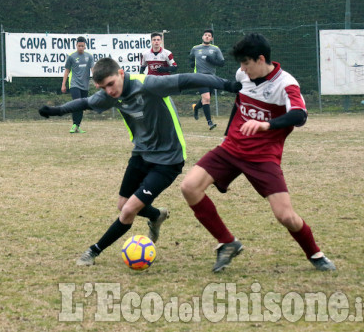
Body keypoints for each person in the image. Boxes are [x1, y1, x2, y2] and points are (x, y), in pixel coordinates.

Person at [39, 57, 241, 266]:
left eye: (111, 84)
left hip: (168, 159)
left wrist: (226, 85)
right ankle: (156, 215)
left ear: (121, 74)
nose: (109, 91)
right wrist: (55, 111)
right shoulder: (110, 94)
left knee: (128, 211)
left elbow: (190, 78)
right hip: (141, 154)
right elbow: (85, 103)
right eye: (103, 87)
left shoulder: (149, 84)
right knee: (123, 205)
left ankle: (93, 252)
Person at [180, 33, 336, 273]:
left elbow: (300, 115)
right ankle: (227, 242)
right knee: (189, 187)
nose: (242, 69)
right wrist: (226, 134)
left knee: (285, 216)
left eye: (246, 63)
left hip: (263, 157)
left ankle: (315, 254)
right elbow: (239, 103)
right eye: (241, 64)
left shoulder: (286, 84)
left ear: (261, 59)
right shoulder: (243, 76)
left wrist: (267, 125)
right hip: (231, 148)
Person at [188, 29, 224, 130]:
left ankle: (196, 107)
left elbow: (222, 63)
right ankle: (210, 122)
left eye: (209, 35)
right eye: (205, 35)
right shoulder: (195, 48)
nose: (207, 36)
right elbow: (190, 58)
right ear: (202, 37)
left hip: (211, 77)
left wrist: (212, 61)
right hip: (199, 76)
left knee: (205, 99)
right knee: (206, 98)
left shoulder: (215, 49)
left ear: (212, 38)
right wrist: (191, 64)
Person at [61, 36, 95, 133]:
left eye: (82, 46)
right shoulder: (71, 56)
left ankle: (78, 126)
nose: (80, 48)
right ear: (76, 45)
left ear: (85, 46)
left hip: (85, 85)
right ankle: (74, 125)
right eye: (79, 46)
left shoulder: (89, 57)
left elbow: (93, 70)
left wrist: (97, 81)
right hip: (74, 84)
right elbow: (67, 71)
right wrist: (63, 84)